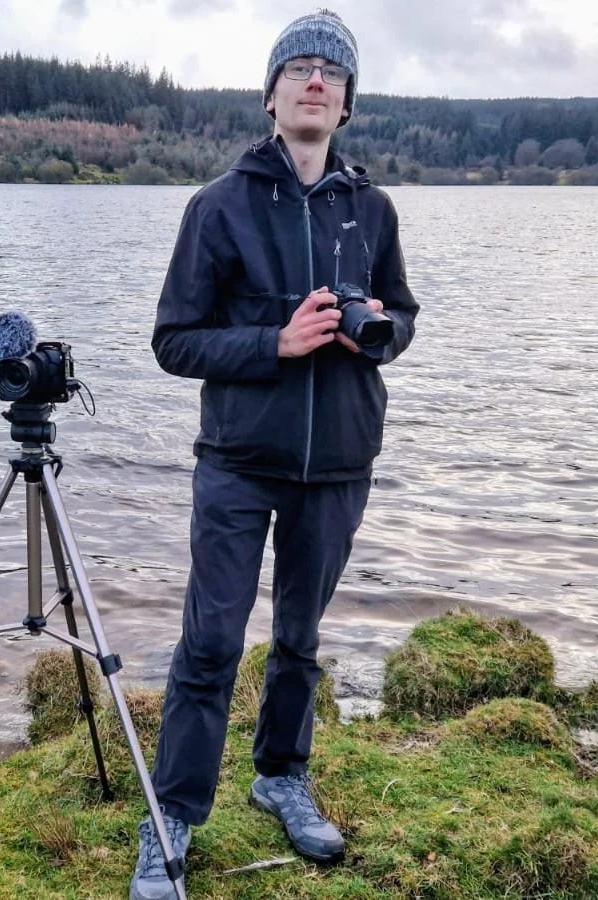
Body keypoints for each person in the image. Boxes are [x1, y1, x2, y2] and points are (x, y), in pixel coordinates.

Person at [132, 8, 419, 898]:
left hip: (338, 462)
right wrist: (276, 344)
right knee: (211, 642)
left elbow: (405, 314)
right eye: (297, 68)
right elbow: (174, 342)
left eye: (330, 73)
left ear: (346, 106)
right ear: (270, 97)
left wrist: (376, 333)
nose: (315, 81)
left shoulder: (371, 208)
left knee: (298, 638)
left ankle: (280, 776)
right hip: (238, 460)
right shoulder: (216, 206)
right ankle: (173, 817)